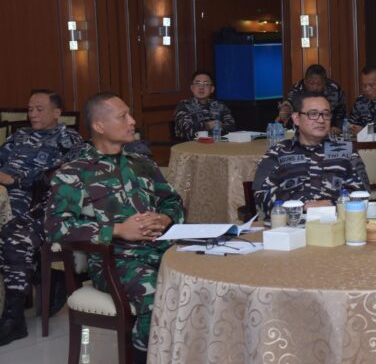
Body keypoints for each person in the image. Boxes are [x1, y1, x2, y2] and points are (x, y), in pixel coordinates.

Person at [47, 93, 184, 363]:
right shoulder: (74, 173)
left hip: (162, 250)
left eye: (130, 114)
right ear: (99, 126)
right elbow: (56, 227)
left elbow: (174, 202)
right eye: (123, 116)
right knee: (156, 297)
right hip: (114, 261)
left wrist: (164, 218)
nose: (132, 121)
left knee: (200, 283)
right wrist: (118, 230)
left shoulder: (142, 164)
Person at [0, 90, 83, 346]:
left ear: (57, 112)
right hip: (4, 196)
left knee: (13, 238)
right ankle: (44, 278)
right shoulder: (20, 135)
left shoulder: (69, 139)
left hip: (37, 204)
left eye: (39, 109)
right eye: (30, 109)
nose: (32, 114)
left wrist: (16, 179)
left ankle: (14, 319)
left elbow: (61, 178)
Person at [254, 91, 369, 216]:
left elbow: (362, 192)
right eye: (313, 114)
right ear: (296, 118)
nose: (321, 120)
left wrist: (332, 205)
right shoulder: (277, 152)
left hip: (335, 220)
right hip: (292, 222)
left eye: (326, 114)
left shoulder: (346, 150)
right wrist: (302, 206)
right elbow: (261, 194)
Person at [275, 64, 347, 134]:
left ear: (325, 83)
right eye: (311, 83)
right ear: (305, 81)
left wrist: (338, 128)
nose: (315, 87)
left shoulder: (334, 89)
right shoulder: (297, 88)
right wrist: (285, 109)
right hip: (303, 129)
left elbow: (341, 114)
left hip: (328, 130)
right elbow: (289, 102)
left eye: (319, 84)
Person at [173, 70, 236, 140]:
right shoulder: (184, 105)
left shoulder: (220, 105)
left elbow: (231, 128)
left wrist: (204, 127)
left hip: (218, 145)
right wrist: (209, 125)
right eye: (197, 83)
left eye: (206, 84)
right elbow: (188, 131)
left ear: (212, 89)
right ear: (192, 88)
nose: (201, 87)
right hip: (191, 145)